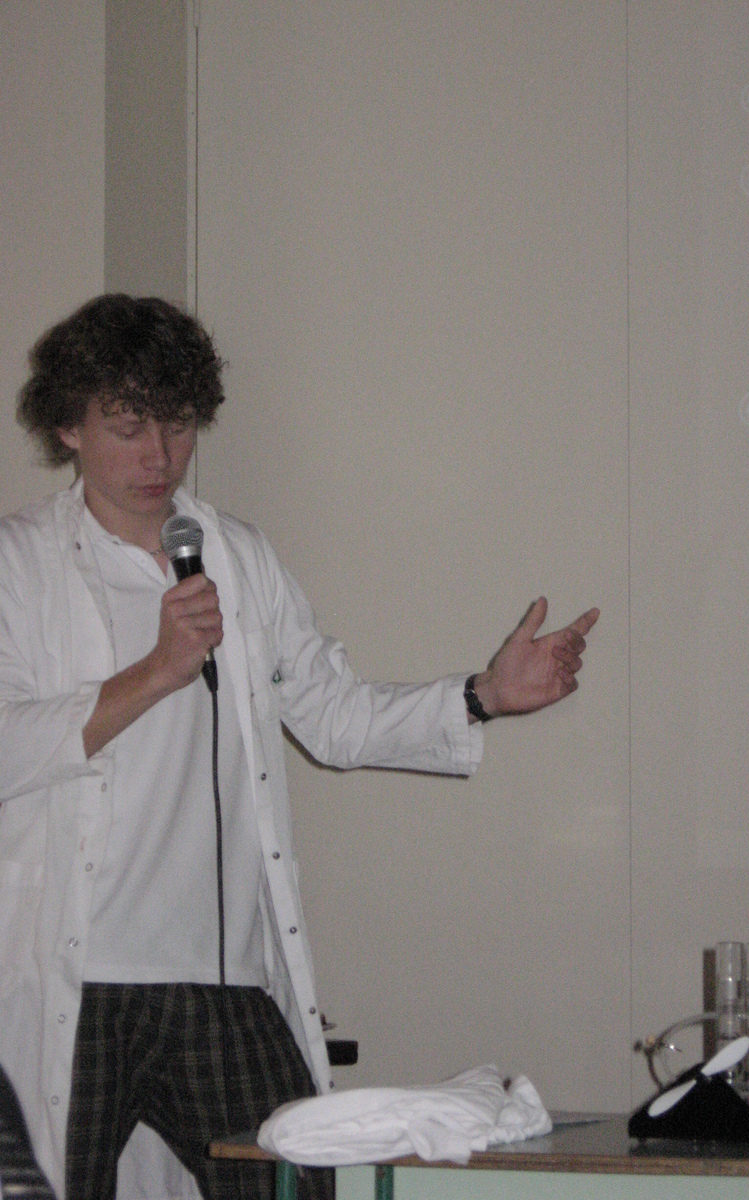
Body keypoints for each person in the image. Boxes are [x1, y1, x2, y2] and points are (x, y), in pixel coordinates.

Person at [0, 294, 599, 1200]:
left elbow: (334, 716)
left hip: (221, 977)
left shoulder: (236, 555)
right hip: (74, 978)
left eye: (177, 423)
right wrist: (157, 671)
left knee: (297, 1183)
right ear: (67, 427)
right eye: (128, 427)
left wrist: (483, 695)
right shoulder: (19, 565)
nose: (159, 455)